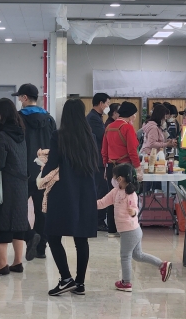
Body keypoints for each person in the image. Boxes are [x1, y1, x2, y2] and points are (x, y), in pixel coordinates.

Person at [40, 98, 99, 296]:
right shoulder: (89, 136)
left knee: (53, 234)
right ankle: (80, 283)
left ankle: (66, 279)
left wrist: (42, 167)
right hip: (86, 192)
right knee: (81, 239)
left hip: (63, 192)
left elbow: (52, 165)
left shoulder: (58, 136)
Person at [97, 164, 170, 292]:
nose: (112, 179)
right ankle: (162, 265)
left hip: (130, 231)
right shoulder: (115, 192)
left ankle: (126, 283)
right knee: (138, 255)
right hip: (133, 231)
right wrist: (89, 204)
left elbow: (135, 208)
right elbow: (102, 203)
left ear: (120, 179)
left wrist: (133, 212)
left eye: (114, 177)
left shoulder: (130, 194)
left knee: (125, 256)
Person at [0, 98, 29, 276]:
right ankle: (18, 262)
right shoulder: (21, 134)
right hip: (20, 185)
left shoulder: (2, 136)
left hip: (4, 186)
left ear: (2, 114)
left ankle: (2, 264)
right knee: (17, 225)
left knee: (0, 224)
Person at [12, 83, 56, 261]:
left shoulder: (17, 119)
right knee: (42, 210)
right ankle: (41, 248)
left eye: (19, 97)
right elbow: (55, 146)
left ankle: (30, 236)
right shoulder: (50, 119)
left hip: (21, 172)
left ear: (24, 98)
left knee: (16, 210)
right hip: (43, 172)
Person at [102, 101, 142, 237]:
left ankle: (112, 230)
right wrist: (138, 168)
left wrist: (105, 167)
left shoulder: (109, 127)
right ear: (130, 115)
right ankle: (125, 228)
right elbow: (132, 151)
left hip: (111, 167)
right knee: (126, 197)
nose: (135, 117)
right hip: (125, 168)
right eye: (134, 114)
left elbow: (104, 150)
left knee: (112, 197)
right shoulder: (127, 128)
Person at [86, 92, 110, 232]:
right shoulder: (93, 119)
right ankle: (98, 221)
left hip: (98, 160)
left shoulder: (97, 117)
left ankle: (98, 220)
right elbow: (103, 136)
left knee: (100, 190)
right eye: (107, 103)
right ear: (101, 103)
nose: (107, 106)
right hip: (97, 160)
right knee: (100, 190)